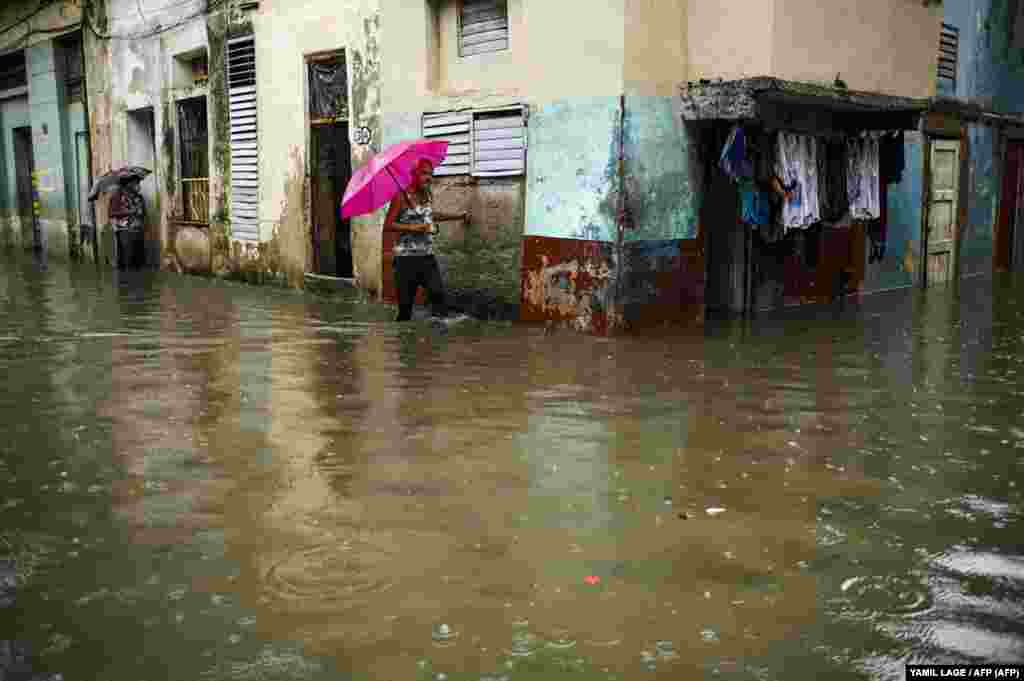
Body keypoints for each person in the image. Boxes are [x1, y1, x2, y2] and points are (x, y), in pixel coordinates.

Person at [383, 159, 469, 322]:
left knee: (438, 296)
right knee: (405, 311)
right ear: (413, 175)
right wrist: (414, 228)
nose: (428, 178)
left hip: (427, 258)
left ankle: (435, 341)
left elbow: (430, 215)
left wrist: (457, 216)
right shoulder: (400, 197)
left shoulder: (427, 195)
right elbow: (388, 226)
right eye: (424, 173)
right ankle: (403, 342)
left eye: (430, 174)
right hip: (405, 261)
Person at [109, 177, 145, 269]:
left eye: (138, 183)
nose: (138, 186)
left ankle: (138, 280)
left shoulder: (138, 197)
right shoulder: (117, 197)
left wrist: (141, 211)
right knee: (127, 259)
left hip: (138, 230)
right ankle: (126, 280)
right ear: (128, 185)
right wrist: (128, 212)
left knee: (139, 260)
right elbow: (112, 213)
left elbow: (143, 212)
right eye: (136, 183)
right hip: (125, 231)